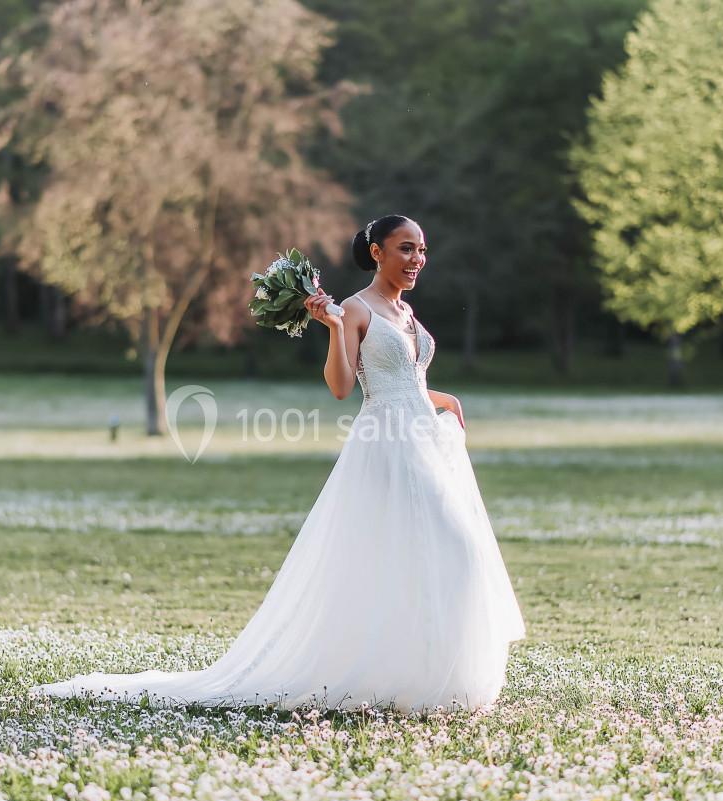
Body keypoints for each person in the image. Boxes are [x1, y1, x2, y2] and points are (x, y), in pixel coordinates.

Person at [34, 215, 524, 711]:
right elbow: (342, 387)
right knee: (451, 550)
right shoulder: (355, 309)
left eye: (421, 249)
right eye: (405, 248)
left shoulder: (406, 310)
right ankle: (401, 677)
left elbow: (407, 379)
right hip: (389, 447)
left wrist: (443, 398)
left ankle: (426, 675)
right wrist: (333, 327)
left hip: (423, 441)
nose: (417, 259)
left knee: (439, 555)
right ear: (376, 252)